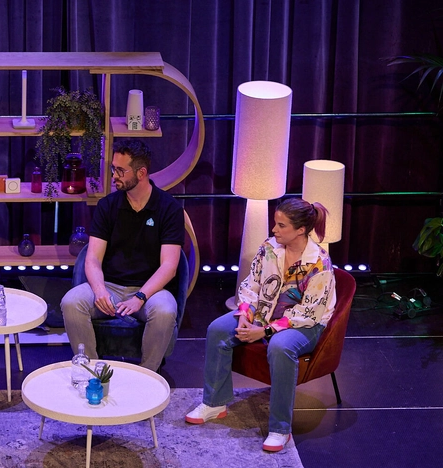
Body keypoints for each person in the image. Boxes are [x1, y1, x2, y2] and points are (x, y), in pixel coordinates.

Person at [185, 198, 336, 452]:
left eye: (281, 225)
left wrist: (263, 331)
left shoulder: (319, 263)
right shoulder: (269, 248)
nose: (274, 230)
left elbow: (309, 311)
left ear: (300, 230)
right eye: (275, 224)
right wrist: (245, 312)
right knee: (218, 329)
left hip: (304, 324)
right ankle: (214, 403)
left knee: (279, 346)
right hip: (264, 314)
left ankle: (280, 428)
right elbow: (252, 283)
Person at [60, 139, 184, 372]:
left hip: (150, 290)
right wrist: (99, 291)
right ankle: (92, 371)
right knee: (71, 302)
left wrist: (140, 297)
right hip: (110, 286)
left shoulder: (169, 208)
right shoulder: (108, 206)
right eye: (113, 169)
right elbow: (93, 259)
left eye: (120, 170)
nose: (114, 175)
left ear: (141, 172)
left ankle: (148, 374)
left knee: (166, 311)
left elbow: (169, 266)